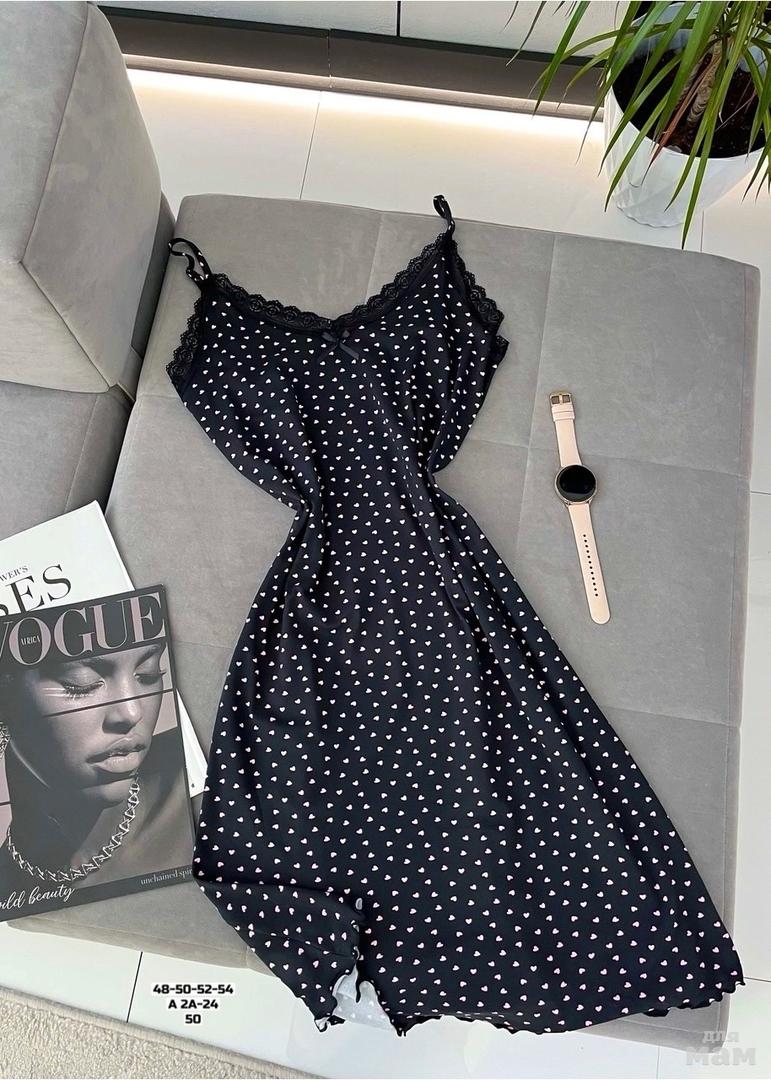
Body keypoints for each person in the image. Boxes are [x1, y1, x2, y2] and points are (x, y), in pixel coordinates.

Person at [0, 640, 192, 911]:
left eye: (148, 674)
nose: (132, 712)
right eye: (82, 684)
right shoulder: (8, 888)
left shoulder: (204, 785)